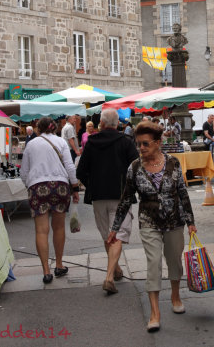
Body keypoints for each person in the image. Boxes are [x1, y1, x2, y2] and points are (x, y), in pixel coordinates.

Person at [108, 121, 197, 333]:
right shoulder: (134, 168)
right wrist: (115, 227)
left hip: (175, 221)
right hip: (149, 221)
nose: (141, 148)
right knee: (153, 262)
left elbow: (183, 193)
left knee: (174, 260)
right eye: (138, 144)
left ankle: (175, 295)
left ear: (158, 143)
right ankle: (154, 312)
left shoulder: (174, 163)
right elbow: (126, 198)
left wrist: (191, 221)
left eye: (145, 144)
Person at [76, 109, 139, 294]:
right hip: (120, 195)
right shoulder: (125, 142)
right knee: (117, 235)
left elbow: (80, 172)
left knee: (108, 236)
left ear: (101, 124)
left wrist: (92, 185)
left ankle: (116, 270)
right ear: (118, 124)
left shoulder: (91, 143)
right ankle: (109, 276)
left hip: (98, 196)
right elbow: (136, 168)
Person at [21, 117, 80, 284]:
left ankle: (46, 271)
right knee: (59, 227)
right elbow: (69, 167)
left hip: (37, 186)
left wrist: (30, 185)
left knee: (41, 230)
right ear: (54, 128)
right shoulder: (61, 142)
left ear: (38, 129)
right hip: (60, 185)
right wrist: (75, 187)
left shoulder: (31, 144)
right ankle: (59, 265)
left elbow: (24, 173)